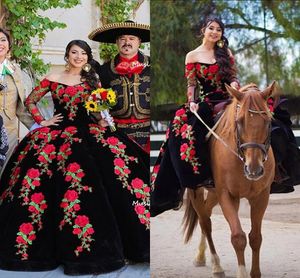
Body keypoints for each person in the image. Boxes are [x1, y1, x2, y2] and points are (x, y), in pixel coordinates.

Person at [0, 40, 149, 275]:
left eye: (83, 53)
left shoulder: (92, 80)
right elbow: (30, 101)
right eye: (74, 52)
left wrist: (102, 120)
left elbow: (99, 110)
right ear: (67, 55)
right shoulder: (53, 76)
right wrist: (43, 121)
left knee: (116, 173)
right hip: (58, 133)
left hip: (88, 131)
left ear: (88, 57)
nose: (78, 57)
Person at [150, 16, 300, 217]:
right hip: (206, 102)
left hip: (231, 97)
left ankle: (280, 171)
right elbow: (192, 84)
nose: (214, 32)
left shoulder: (225, 53)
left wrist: (236, 87)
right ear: (203, 29)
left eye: (218, 30)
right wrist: (192, 101)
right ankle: (200, 175)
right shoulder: (192, 56)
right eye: (211, 28)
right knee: (182, 128)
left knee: (274, 115)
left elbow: (233, 77)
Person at [88, 21, 150, 153]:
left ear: (139, 42)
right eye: (122, 39)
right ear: (117, 42)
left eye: (131, 39)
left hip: (150, 131)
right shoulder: (104, 70)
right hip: (117, 132)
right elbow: (94, 99)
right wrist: (99, 118)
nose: (127, 42)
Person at [0, 28, 34, 162]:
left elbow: (20, 104)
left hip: (9, 132)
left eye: (3, 40)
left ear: (8, 45)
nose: (0, 43)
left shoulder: (14, 70)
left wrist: (36, 126)